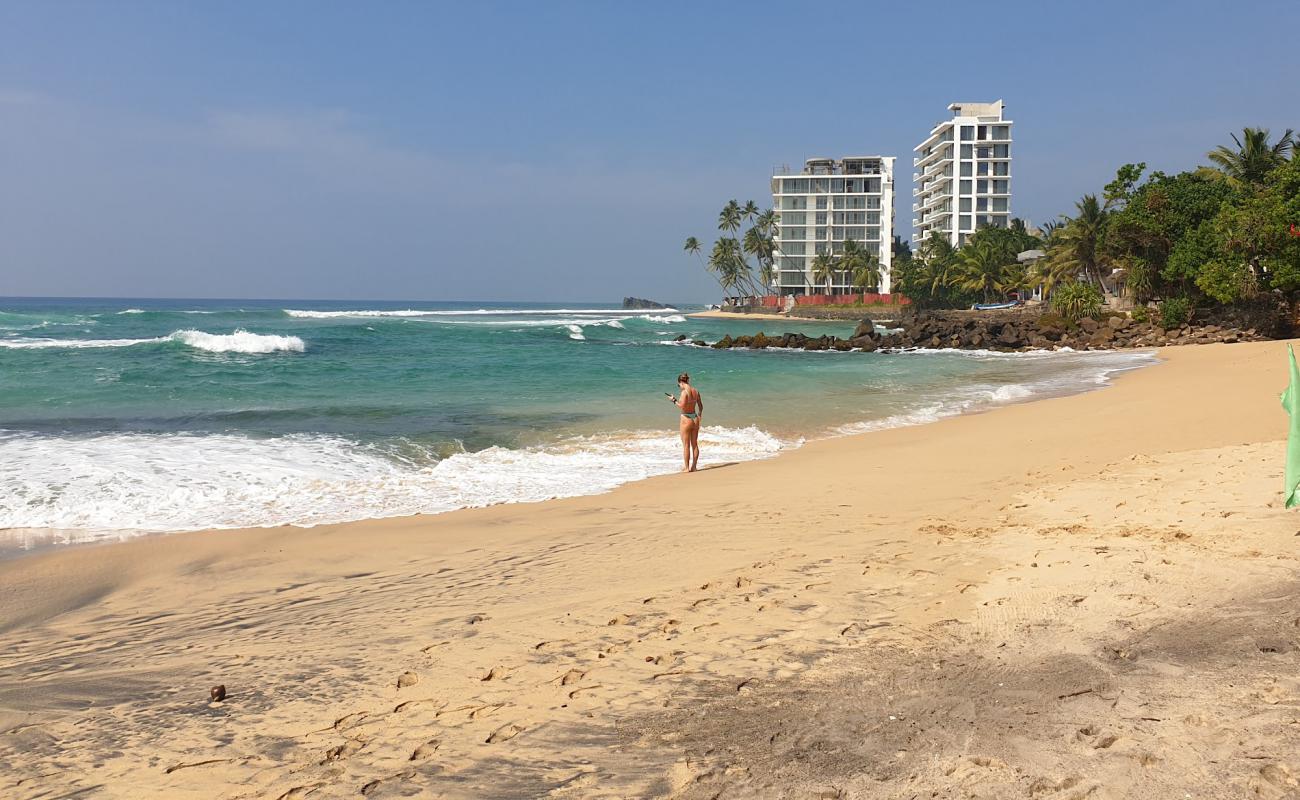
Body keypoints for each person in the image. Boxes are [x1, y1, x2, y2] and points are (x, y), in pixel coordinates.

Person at [670, 372, 703, 472]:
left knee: (686, 445)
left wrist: (673, 400)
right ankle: (694, 467)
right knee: (694, 444)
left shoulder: (684, 392)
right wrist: (699, 416)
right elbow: (701, 406)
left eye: (678, 385)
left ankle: (687, 468)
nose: (679, 387)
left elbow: (682, 406)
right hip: (695, 418)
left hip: (686, 419)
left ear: (681, 382)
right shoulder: (696, 391)